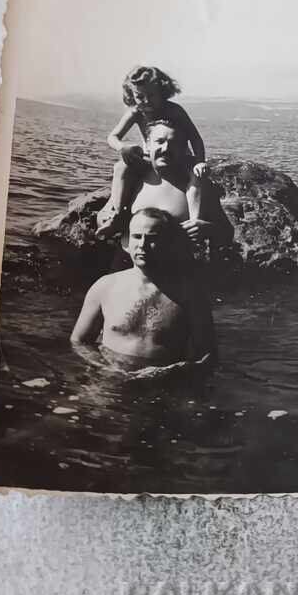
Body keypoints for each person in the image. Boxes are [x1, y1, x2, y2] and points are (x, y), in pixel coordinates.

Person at [71, 207, 216, 376]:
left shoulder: (190, 295)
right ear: (126, 242)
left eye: (152, 238)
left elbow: (207, 355)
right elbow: (79, 342)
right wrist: (104, 367)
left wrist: (170, 372)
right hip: (109, 380)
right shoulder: (105, 287)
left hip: (164, 386)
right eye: (137, 236)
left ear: (170, 243)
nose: (142, 245)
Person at [96, 65, 207, 238]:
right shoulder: (135, 112)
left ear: (162, 91)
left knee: (195, 176)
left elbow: (195, 139)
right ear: (131, 95)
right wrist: (123, 147)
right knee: (121, 167)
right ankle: (117, 213)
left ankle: (195, 220)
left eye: (152, 95)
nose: (146, 101)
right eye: (140, 96)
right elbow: (113, 136)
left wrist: (200, 162)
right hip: (151, 159)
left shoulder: (174, 110)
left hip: (178, 158)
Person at [128, 118, 233, 249]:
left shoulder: (196, 185)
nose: (166, 148)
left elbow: (227, 233)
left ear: (183, 149)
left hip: (175, 264)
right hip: (130, 262)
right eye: (159, 141)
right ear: (148, 145)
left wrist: (207, 229)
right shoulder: (134, 178)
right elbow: (111, 216)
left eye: (174, 144)